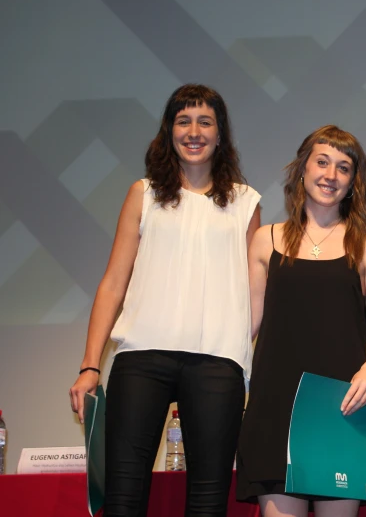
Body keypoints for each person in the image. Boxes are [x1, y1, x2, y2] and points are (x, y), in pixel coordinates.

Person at [68, 84, 261, 516]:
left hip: (216, 363)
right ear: (169, 131)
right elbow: (113, 283)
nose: (194, 132)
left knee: (209, 502)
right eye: (183, 121)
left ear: (220, 133)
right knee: (123, 497)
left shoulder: (245, 203)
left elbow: (254, 295)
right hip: (142, 357)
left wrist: (238, 348)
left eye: (205, 122)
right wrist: (90, 365)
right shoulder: (144, 193)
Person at [235, 125, 366, 517]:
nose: (330, 175)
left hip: (341, 409)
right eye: (322, 162)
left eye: (343, 167)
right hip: (274, 408)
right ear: (302, 170)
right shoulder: (265, 240)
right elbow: (246, 325)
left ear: (354, 181)